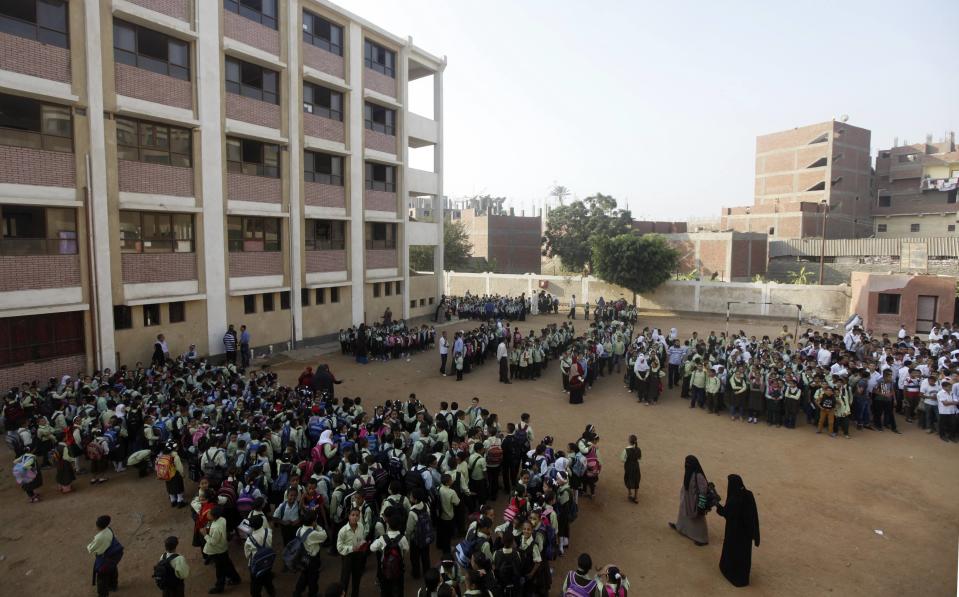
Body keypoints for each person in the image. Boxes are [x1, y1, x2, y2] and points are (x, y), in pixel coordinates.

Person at [716, 475, 760, 587]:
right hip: (746, 535)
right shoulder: (748, 495)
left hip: (734, 534)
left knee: (733, 554)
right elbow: (754, 515)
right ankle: (743, 578)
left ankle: (733, 576)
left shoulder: (733, 500)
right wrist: (755, 534)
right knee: (744, 556)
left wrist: (717, 505)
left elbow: (725, 513)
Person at [669, 455, 709, 546]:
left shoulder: (698, 476)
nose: (686, 465)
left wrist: (701, 505)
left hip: (695, 502)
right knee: (683, 514)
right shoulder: (689, 472)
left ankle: (702, 539)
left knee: (698, 519)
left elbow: (703, 490)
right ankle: (681, 528)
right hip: (687, 500)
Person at [202, 506, 241, 593]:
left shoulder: (216, 528)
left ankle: (219, 587)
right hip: (223, 548)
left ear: (214, 516)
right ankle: (235, 578)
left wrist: (205, 535)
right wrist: (207, 527)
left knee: (220, 569)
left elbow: (213, 542)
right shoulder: (222, 519)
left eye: (209, 513)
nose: (207, 514)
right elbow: (210, 522)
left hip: (217, 550)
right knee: (227, 563)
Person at [370, 511, 409, 597]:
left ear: (388, 525)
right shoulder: (402, 539)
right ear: (399, 526)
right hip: (399, 569)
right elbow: (406, 550)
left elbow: (372, 548)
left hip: (385, 569)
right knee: (399, 589)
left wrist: (381, 548)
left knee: (385, 590)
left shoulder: (382, 538)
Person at [294, 510, 327, 597]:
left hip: (303, 557)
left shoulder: (299, 530)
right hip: (312, 560)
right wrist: (317, 526)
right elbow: (324, 535)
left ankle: (297, 592)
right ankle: (312, 594)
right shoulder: (312, 533)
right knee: (313, 578)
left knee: (304, 575)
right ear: (313, 522)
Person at [87, 515, 121, 597]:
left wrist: (89, 546)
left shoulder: (99, 537)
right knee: (113, 569)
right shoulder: (109, 530)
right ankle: (113, 586)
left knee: (102, 578)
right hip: (114, 555)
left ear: (98, 526)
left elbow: (90, 549)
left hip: (104, 559)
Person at [336, 508, 367, 597]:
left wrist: (363, 544)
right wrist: (351, 548)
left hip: (358, 555)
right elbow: (339, 547)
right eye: (353, 515)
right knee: (345, 579)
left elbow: (361, 539)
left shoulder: (361, 526)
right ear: (349, 516)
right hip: (347, 557)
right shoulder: (343, 530)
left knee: (357, 578)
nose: (355, 517)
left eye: (357, 515)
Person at [620, 435, 641, 504]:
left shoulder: (626, 450)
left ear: (629, 441)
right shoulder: (638, 449)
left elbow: (622, 459)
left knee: (628, 479)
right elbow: (639, 458)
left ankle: (629, 493)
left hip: (628, 466)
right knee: (636, 480)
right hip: (636, 466)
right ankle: (636, 497)